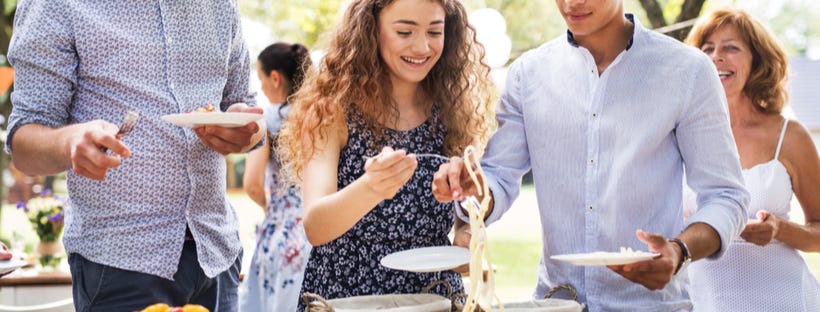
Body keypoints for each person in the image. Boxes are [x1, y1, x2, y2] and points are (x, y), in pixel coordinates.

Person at [431, 0, 751, 310]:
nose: (573, 2)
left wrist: (680, 251)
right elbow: (498, 178)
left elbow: (726, 195)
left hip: (651, 306)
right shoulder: (528, 74)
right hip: (556, 302)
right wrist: (473, 188)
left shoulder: (688, 71)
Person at [5, 1, 265, 311]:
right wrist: (68, 142)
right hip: (120, 265)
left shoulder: (220, 6)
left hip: (217, 257)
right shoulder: (57, 4)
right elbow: (23, 143)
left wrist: (248, 132)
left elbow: (248, 113)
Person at [277, 0, 493, 309]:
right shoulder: (331, 110)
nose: (422, 46)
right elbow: (315, 227)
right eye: (404, 31)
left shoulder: (454, 113)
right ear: (370, 29)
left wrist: (468, 236)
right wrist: (371, 187)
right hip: (350, 298)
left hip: (434, 298)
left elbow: (465, 226)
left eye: (435, 31)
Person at [683, 8, 820, 311]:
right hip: (701, 301)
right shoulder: (678, 134)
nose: (717, 56)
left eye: (731, 47)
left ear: (757, 60)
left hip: (781, 300)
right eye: (707, 49)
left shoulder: (790, 135)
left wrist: (779, 229)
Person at [239, 42, 312, 311]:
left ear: (275, 77)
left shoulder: (267, 120)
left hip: (282, 235)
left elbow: (252, 184)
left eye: (260, 79)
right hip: (320, 233)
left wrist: (268, 205)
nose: (260, 87)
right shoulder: (321, 116)